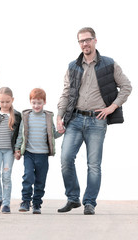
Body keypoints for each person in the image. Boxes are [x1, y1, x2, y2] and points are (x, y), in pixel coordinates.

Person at [57, 27, 132, 215]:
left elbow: (126, 87)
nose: (85, 44)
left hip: (97, 121)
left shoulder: (109, 64)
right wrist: (59, 115)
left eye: (88, 40)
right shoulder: (72, 66)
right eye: (81, 41)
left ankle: (89, 202)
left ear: (95, 40)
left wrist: (111, 108)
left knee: (94, 164)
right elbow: (66, 93)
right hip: (74, 118)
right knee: (66, 158)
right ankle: (73, 198)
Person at [14, 88, 63, 214]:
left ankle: (37, 204)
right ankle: (25, 201)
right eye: (34, 102)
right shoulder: (26, 116)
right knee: (28, 176)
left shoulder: (47, 117)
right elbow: (21, 134)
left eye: (39, 103)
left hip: (43, 155)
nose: (36, 105)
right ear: (30, 102)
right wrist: (17, 149)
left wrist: (61, 132)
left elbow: (52, 134)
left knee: (40, 180)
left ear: (44, 102)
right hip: (29, 153)